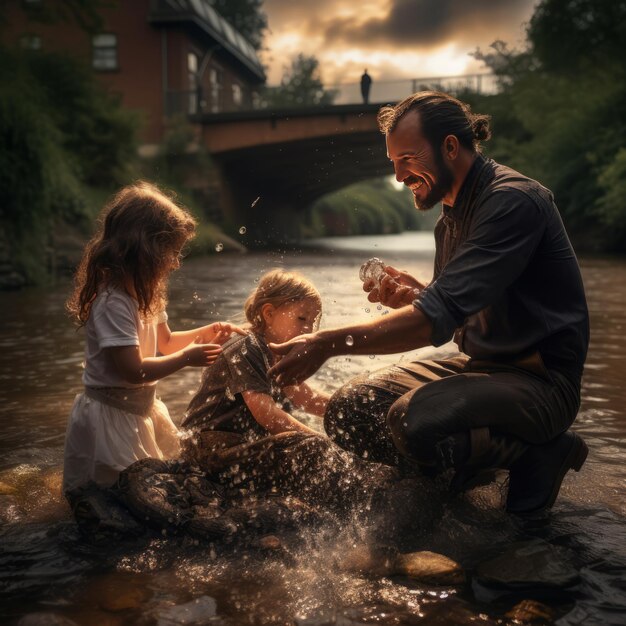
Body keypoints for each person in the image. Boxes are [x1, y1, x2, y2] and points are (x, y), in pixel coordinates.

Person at [269, 91, 590, 516]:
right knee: (349, 409)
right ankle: (448, 481)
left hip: (542, 382)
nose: (399, 176)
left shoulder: (512, 202)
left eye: (408, 159)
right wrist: (420, 295)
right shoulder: (450, 220)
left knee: (412, 421)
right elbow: (456, 321)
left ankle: (539, 454)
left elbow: (436, 318)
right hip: (483, 368)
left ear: (450, 147)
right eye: (393, 163)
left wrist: (327, 342)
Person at [63, 181, 244, 498]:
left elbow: (166, 343)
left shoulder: (146, 294)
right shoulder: (112, 301)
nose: (175, 263)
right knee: (113, 494)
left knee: (155, 488)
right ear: (142, 249)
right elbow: (132, 370)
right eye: (171, 252)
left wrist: (209, 330)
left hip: (142, 409)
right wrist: (188, 358)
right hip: (110, 415)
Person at [182, 268, 328, 440]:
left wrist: (348, 408)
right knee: (313, 449)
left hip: (241, 442)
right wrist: (321, 441)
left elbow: (305, 398)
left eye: (313, 321)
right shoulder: (246, 346)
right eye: (302, 319)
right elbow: (268, 415)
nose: (309, 329)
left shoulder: (278, 351)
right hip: (208, 442)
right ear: (269, 314)